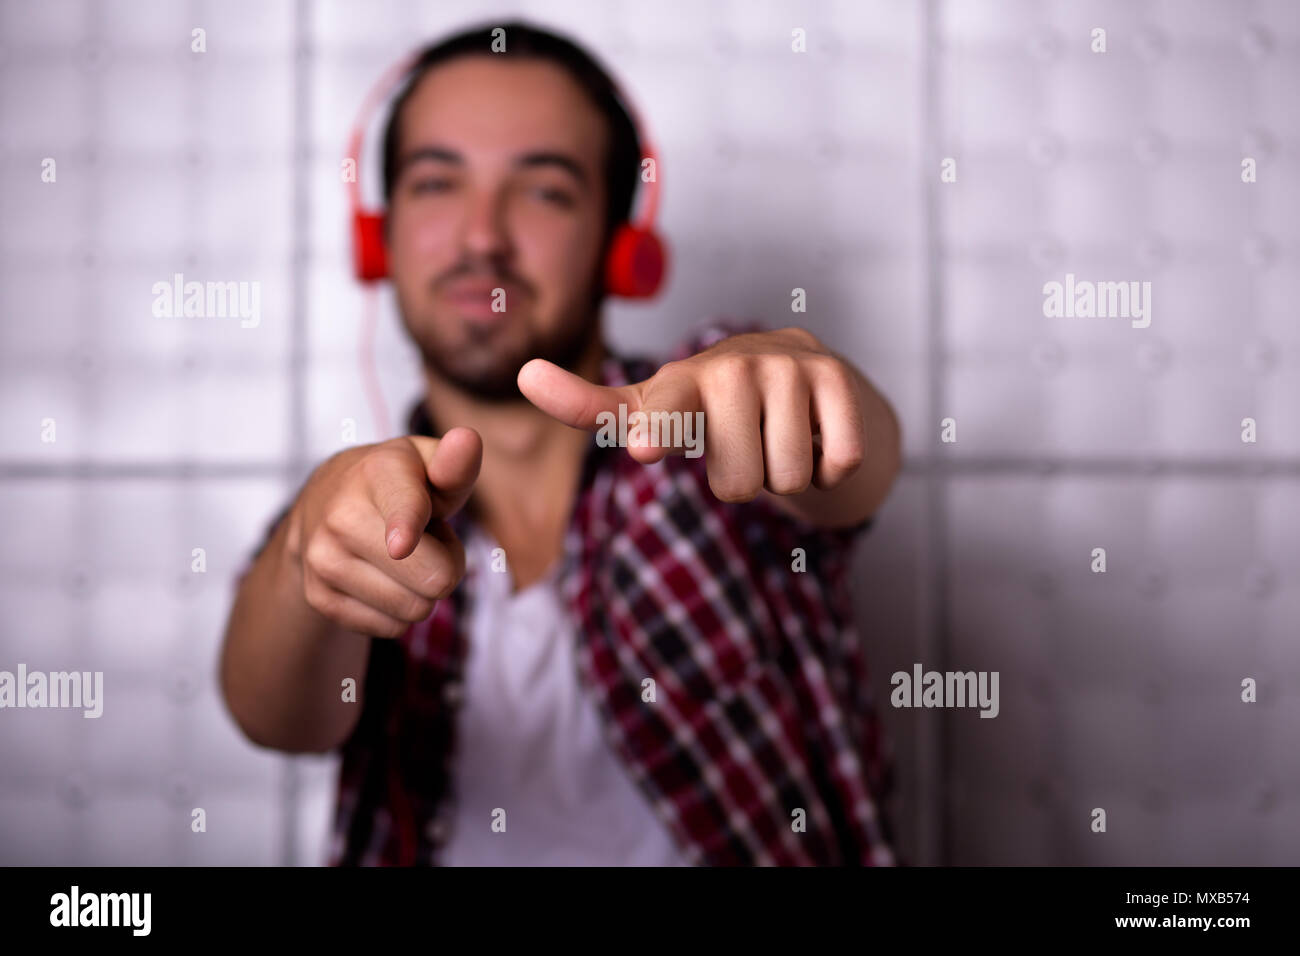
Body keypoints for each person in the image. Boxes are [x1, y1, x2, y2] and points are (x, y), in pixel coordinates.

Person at [219, 20, 902, 866]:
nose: (482, 237)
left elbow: (850, 461)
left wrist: (806, 388)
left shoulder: (709, 425)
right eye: (436, 183)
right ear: (380, 237)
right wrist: (299, 562)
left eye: (544, 191)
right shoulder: (347, 515)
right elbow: (274, 719)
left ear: (623, 249)